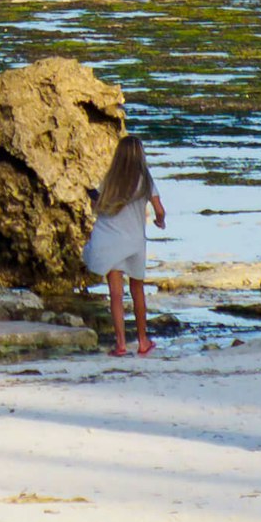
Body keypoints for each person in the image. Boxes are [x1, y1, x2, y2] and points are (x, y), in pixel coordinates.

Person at [86, 134, 168, 357]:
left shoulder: (110, 179)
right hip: (134, 242)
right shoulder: (145, 179)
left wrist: (92, 197)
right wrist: (160, 221)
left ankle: (121, 345)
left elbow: (100, 207)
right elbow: (159, 210)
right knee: (137, 290)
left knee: (116, 294)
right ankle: (143, 341)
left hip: (110, 239)